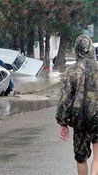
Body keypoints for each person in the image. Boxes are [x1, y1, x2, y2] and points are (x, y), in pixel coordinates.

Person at [56, 34, 98, 175]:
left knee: (81, 158)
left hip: (79, 119)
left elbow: (66, 97)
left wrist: (62, 122)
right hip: (97, 117)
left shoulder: (72, 70)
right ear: (91, 49)